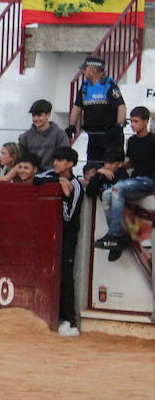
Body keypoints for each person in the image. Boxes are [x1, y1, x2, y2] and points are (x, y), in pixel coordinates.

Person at [94, 105, 154, 259]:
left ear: (146, 121)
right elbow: (132, 162)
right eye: (131, 121)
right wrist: (114, 166)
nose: (133, 125)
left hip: (148, 181)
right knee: (107, 195)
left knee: (117, 189)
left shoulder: (153, 140)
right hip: (135, 180)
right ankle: (118, 235)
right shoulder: (132, 141)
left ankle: (114, 234)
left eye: (136, 121)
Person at [36, 146, 84, 336]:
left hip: (67, 238)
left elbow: (69, 217)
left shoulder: (77, 187)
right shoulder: (51, 174)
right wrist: (59, 180)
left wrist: (63, 198)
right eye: (55, 159)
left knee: (64, 276)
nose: (55, 163)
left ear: (70, 164)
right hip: (47, 236)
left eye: (60, 160)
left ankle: (69, 319)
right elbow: (37, 179)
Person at [70, 56, 126, 163]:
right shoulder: (85, 86)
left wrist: (119, 126)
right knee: (92, 167)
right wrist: (72, 125)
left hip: (110, 136)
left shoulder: (109, 85)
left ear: (92, 70)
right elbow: (77, 106)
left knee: (111, 167)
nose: (83, 72)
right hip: (93, 135)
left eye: (84, 69)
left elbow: (121, 106)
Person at [18, 99, 66, 168]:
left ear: (48, 115)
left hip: (52, 175)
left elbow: (65, 158)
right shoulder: (25, 136)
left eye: (39, 115)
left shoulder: (60, 134)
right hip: (31, 175)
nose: (36, 119)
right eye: (33, 115)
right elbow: (20, 158)